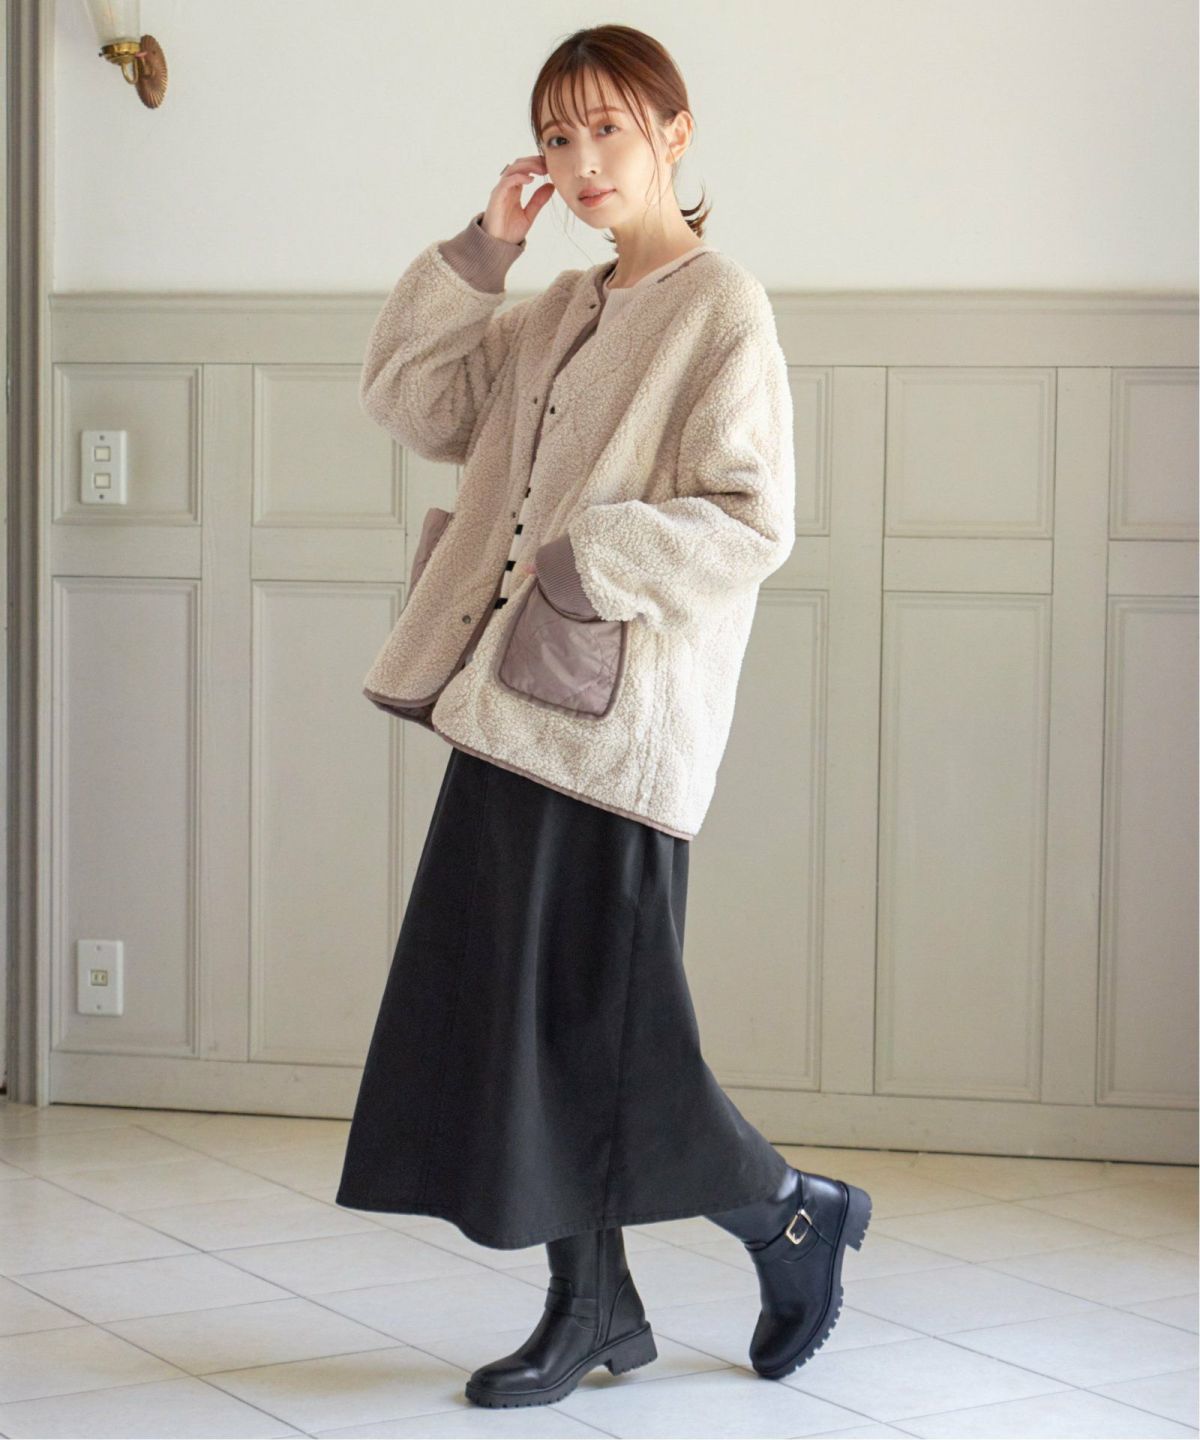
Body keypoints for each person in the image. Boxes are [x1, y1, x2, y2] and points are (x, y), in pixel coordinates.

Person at [335, 22, 872, 1411]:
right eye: (557, 136)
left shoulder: (721, 307)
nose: (582, 162)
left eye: (609, 130)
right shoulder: (553, 309)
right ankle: (597, 1310)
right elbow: (412, 400)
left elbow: (750, 520)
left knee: (615, 1037)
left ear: (674, 133)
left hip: (616, 729)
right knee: (532, 1035)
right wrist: (485, 253)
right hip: (508, 714)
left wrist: (590, 561)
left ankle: (789, 1214)